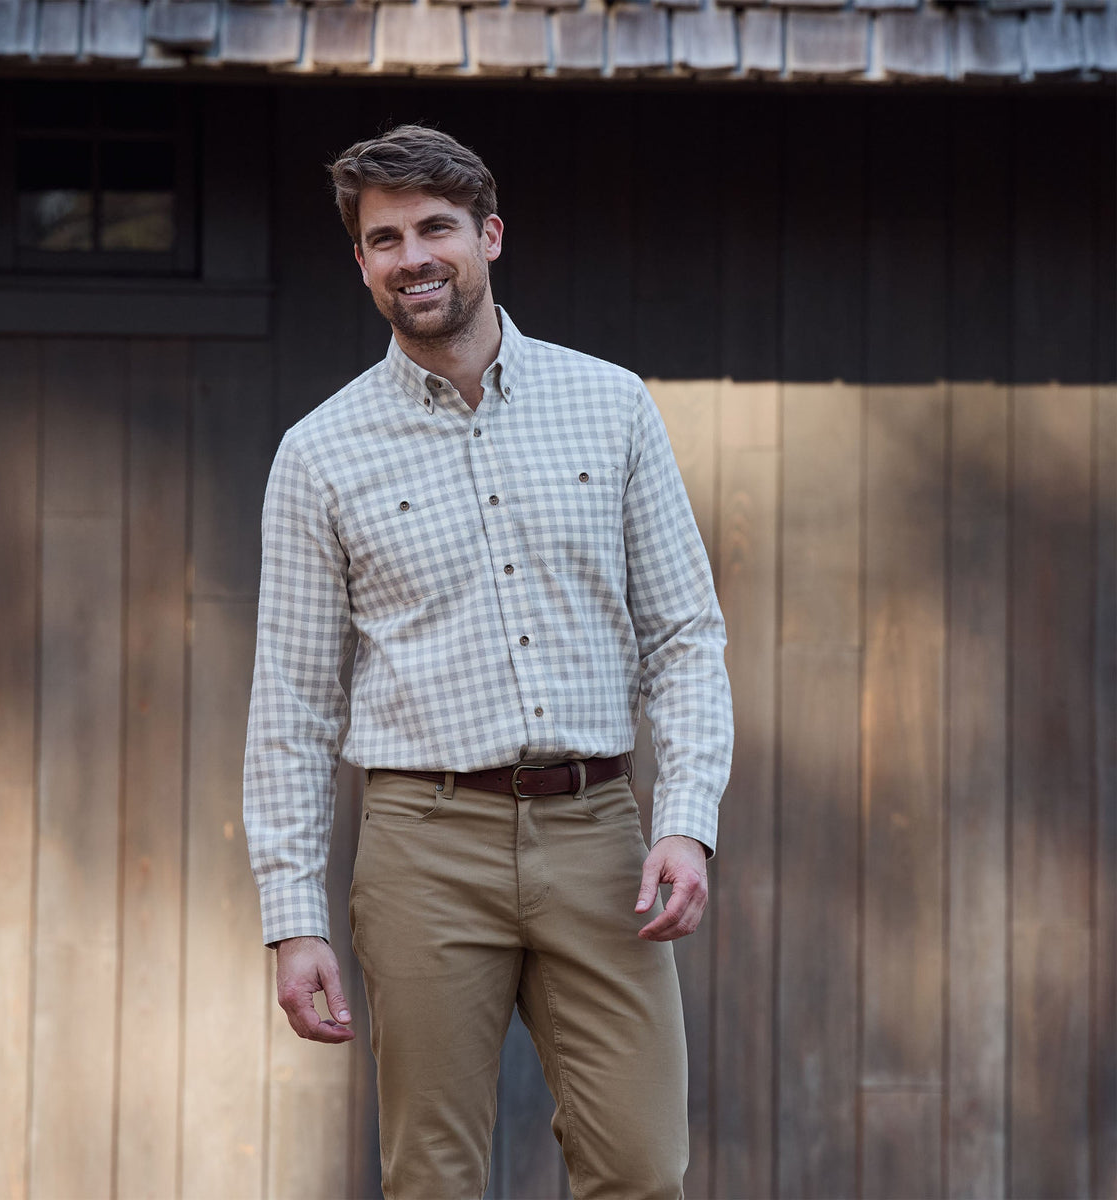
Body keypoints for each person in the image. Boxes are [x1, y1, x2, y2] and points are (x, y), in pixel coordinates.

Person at [243, 124, 733, 1200]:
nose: (412, 256)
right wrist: (293, 920)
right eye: (384, 238)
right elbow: (291, 702)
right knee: (434, 1179)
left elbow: (686, 635)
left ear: (489, 235)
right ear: (361, 262)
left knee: (644, 1169)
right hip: (423, 845)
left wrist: (685, 818)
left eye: (435, 228)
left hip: (600, 835)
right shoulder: (320, 452)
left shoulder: (611, 406)